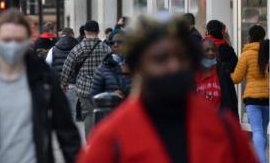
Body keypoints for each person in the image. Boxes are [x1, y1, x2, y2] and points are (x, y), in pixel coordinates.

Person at [78, 15, 258, 163]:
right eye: (160, 59)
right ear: (138, 67)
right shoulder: (111, 139)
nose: (173, 66)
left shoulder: (224, 130)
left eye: (181, 57)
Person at [0, 9, 81, 163]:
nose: (12, 46)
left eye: (19, 39)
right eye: (7, 40)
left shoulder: (44, 76)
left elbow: (66, 131)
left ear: (28, 39)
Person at [61, 20, 111, 136]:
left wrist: (64, 83)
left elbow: (67, 66)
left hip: (84, 87)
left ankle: (90, 143)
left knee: (88, 114)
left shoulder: (79, 48)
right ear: (98, 31)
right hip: (102, 86)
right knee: (101, 115)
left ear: (84, 32)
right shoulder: (105, 48)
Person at [231, 25, 269, 163]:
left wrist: (225, 75)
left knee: (257, 131)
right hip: (268, 97)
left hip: (252, 99)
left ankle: (261, 160)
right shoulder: (268, 52)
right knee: (263, 130)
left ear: (250, 37)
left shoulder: (246, 54)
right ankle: (262, 157)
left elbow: (236, 78)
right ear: (263, 37)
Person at [194, 39, 238, 116]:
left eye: (213, 50)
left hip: (219, 124)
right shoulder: (192, 75)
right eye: (207, 50)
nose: (211, 53)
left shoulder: (224, 74)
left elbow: (232, 102)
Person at [45, 27, 79, 120]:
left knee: (59, 112)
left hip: (58, 85)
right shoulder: (79, 48)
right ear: (72, 35)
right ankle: (72, 133)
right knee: (72, 112)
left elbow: (47, 66)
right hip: (74, 84)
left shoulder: (53, 49)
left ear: (61, 35)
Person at [90, 31, 132, 101]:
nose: (115, 45)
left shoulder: (137, 65)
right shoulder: (103, 67)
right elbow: (93, 97)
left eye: (119, 42)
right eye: (112, 43)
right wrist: (111, 96)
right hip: (112, 110)